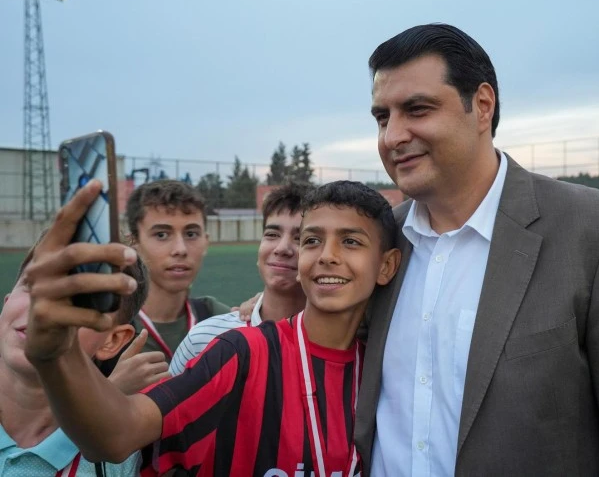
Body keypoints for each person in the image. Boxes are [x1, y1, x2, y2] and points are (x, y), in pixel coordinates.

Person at [355, 23, 599, 476]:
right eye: (382, 118)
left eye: (417, 109)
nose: (392, 136)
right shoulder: (377, 240)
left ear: (482, 106)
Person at [23, 179, 400, 476]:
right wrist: (55, 355)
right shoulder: (240, 352)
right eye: (312, 240)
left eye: (350, 242)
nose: (327, 255)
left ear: (386, 266)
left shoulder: (383, 369)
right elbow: (116, 435)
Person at [0, 234, 148, 476]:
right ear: (7, 301)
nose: (43, 309)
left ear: (111, 341)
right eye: (34, 284)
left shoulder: (120, 462)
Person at [170, 182, 311, 375]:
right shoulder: (203, 339)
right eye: (272, 234)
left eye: (300, 238)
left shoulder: (344, 343)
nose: (282, 248)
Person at [125, 179, 230, 362]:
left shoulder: (221, 322)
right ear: (134, 244)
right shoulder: (106, 330)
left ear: (206, 242)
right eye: (161, 235)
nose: (180, 249)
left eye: (191, 234)